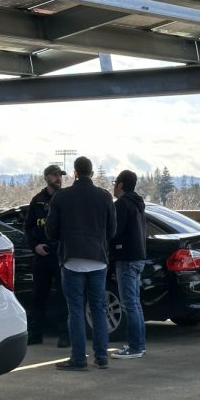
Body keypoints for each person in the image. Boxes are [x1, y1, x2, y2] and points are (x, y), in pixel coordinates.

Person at [45, 156, 116, 370]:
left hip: (71, 258)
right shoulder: (104, 197)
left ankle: (78, 358)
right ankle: (101, 356)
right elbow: (112, 230)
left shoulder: (61, 197)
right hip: (98, 258)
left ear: (75, 172)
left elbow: (50, 230)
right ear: (91, 173)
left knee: (75, 310)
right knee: (98, 309)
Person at [24, 164, 69, 347]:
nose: (58, 178)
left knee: (63, 296)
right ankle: (35, 334)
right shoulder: (37, 200)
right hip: (42, 256)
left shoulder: (66, 199)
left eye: (60, 175)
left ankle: (65, 335)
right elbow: (28, 228)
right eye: (55, 175)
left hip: (60, 255)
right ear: (46, 178)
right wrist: (35, 246)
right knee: (38, 296)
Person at [110, 170, 147, 359]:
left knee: (129, 304)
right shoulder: (138, 204)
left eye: (115, 182)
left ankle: (134, 347)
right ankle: (139, 343)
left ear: (121, 185)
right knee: (136, 303)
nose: (113, 186)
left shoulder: (122, 205)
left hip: (126, 258)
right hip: (139, 257)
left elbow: (114, 231)